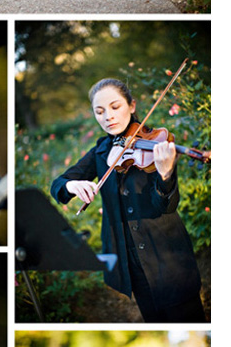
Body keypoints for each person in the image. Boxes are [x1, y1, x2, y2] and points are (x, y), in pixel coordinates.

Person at [50, 78, 205, 323]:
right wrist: (72, 184)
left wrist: (165, 174)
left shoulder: (156, 145)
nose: (108, 117)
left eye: (115, 107)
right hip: (132, 264)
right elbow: (57, 185)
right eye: (99, 112)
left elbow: (166, 206)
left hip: (167, 257)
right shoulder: (101, 151)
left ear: (131, 106)